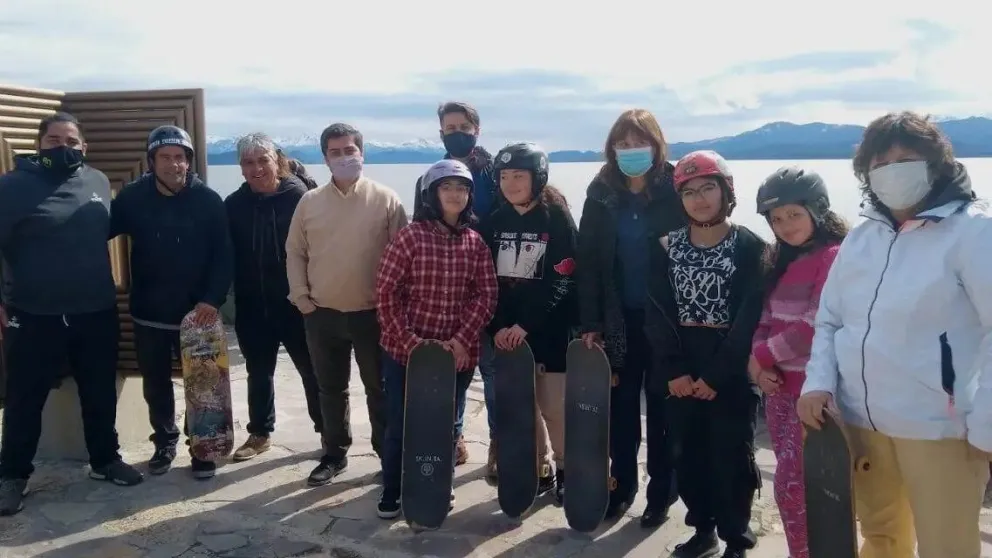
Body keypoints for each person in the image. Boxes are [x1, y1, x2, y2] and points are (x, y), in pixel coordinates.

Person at [797, 111, 992, 558]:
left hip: (940, 430)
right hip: (863, 422)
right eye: (880, 163)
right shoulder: (862, 237)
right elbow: (830, 321)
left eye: (906, 159)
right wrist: (818, 383)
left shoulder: (974, 232)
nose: (892, 171)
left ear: (936, 163)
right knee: (880, 540)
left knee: (948, 546)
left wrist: (986, 426)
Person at [0, 112, 144, 516]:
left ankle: (105, 460)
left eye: (71, 141)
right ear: (39, 144)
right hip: (32, 314)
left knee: (98, 391)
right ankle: (12, 475)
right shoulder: (11, 187)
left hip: (94, 310)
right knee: (24, 399)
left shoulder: (97, 181)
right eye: (54, 141)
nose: (63, 147)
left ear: (84, 147)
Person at [645, 150, 766, 558]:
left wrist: (719, 376)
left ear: (726, 191)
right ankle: (703, 529)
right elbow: (657, 314)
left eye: (708, 188)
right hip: (681, 364)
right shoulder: (665, 246)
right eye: (690, 191)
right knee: (687, 453)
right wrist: (674, 370)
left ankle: (736, 537)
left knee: (732, 458)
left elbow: (750, 318)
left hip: (729, 368)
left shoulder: (750, 247)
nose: (699, 199)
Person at [576, 108, 682, 524]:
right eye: (623, 143)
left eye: (640, 142)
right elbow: (587, 262)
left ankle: (661, 495)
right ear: (612, 148)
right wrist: (591, 324)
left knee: (662, 411)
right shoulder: (600, 192)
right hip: (617, 320)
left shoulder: (678, 188)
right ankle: (621, 488)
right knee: (620, 411)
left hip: (665, 322)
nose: (631, 150)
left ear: (656, 145)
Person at [286, 123, 408, 486]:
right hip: (322, 314)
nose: (343, 157)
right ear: (324, 158)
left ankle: (387, 455)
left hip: (374, 315)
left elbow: (403, 257)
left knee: (380, 389)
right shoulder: (309, 202)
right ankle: (334, 453)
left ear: (362, 153)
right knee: (330, 388)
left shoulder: (387, 199)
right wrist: (302, 297)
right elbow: (295, 251)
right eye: (335, 152)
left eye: (349, 150)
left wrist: (395, 310)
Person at [375, 159, 498, 518]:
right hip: (405, 352)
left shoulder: (475, 243)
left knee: (448, 423)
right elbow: (386, 293)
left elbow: (485, 295)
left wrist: (461, 340)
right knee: (401, 421)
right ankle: (393, 488)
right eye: (447, 187)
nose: (455, 194)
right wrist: (413, 345)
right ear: (432, 193)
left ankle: (437, 483)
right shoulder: (411, 236)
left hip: (457, 354)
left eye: (462, 188)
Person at [109, 125, 233, 480]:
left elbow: (224, 256)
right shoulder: (132, 197)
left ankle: (202, 446)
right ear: (152, 161)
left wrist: (212, 299)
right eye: (165, 157)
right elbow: (95, 231)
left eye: (180, 157)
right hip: (149, 312)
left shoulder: (208, 200)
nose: (173, 164)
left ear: (188, 161)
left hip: (198, 314)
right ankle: (164, 441)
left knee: (204, 386)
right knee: (156, 383)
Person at [749, 166, 848, 558]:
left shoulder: (834, 255)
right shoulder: (779, 261)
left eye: (794, 214)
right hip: (778, 394)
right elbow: (764, 319)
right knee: (790, 491)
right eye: (776, 219)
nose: (785, 225)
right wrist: (757, 365)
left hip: (817, 394)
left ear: (817, 210)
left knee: (807, 486)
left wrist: (761, 355)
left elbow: (815, 322)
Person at [484, 142, 578, 504]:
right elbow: (486, 280)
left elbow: (564, 278)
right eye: (504, 176)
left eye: (519, 176)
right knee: (523, 407)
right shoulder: (495, 220)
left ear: (537, 178)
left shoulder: (556, 218)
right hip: (506, 336)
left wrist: (526, 324)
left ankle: (569, 468)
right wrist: (499, 327)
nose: (511, 183)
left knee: (554, 407)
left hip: (547, 332)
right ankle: (539, 468)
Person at [224, 133, 323, 465]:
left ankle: (328, 433)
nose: (256, 169)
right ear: (240, 168)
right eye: (248, 163)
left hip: (297, 302)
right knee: (258, 371)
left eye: (262, 160)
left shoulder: (301, 198)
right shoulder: (234, 205)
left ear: (276, 160)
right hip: (253, 303)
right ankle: (260, 433)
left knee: (312, 370)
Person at [413, 101, 499, 473]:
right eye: (449, 127)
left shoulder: (497, 172)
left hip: (492, 285)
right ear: (441, 133)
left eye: (463, 126)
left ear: (477, 129)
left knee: (495, 373)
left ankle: (500, 444)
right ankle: (454, 436)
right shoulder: (431, 177)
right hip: (446, 289)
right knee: (452, 371)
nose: (456, 132)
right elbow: (422, 229)